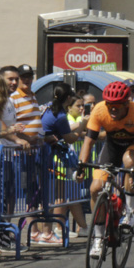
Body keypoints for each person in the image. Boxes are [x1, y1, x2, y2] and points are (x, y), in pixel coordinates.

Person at [76, 81, 134, 257]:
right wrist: (81, 165)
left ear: (127, 103)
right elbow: (89, 141)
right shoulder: (100, 110)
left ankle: (130, 212)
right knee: (95, 187)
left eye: (117, 106)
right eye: (110, 106)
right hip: (111, 147)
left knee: (128, 162)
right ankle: (98, 239)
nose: (113, 110)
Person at [40, 83, 88, 243]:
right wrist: (83, 125)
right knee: (51, 196)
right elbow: (70, 138)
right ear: (68, 99)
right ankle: (49, 231)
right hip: (47, 155)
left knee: (53, 195)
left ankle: (44, 231)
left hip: (46, 152)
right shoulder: (60, 115)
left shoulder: (49, 107)